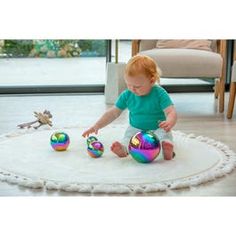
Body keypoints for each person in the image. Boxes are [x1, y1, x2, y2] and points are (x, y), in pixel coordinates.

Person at [82, 55, 177, 160]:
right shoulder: (127, 94)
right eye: (128, 84)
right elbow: (113, 112)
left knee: (164, 135)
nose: (132, 89)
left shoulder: (159, 93)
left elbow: (171, 111)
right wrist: (97, 126)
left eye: (137, 86)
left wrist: (169, 122)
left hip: (157, 128)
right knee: (128, 138)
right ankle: (123, 149)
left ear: (151, 81)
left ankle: (167, 150)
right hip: (136, 128)